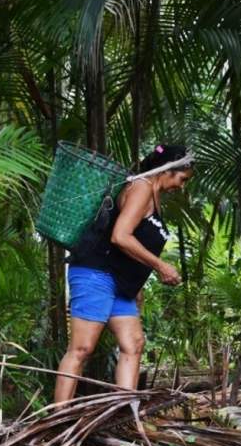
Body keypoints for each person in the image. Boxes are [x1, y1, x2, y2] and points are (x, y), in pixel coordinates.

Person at [53, 144, 193, 403]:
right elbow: (120, 236)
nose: (182, 186)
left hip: (119, 283)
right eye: (182, 179)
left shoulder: (153, 194)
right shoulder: (140, 188)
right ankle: (57, 420)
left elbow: (133, 245)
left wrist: (136, 286)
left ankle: (124, 413)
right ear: (168, 170)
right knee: (82, 349)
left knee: (134, 343)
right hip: (96, 272)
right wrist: (161, 265)